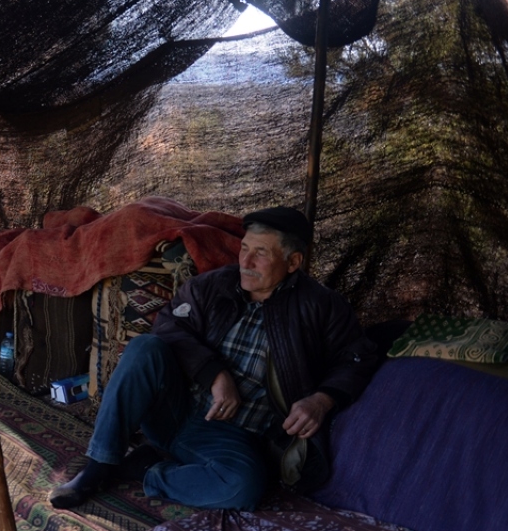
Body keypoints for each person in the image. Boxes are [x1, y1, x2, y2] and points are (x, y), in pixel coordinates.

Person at [49, 206, 379, 511]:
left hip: (233, 435)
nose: (246, 262)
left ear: (293, 262)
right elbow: (169, 328)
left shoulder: (322, 307)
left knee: (242, 488)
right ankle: (98, 467)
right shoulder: (213, 286)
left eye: (260, 253)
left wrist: (321, 401)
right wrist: (215, 375)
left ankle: (145, 467)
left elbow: (357, 358)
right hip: (176, 407)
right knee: (145, 348)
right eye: (245, 248)